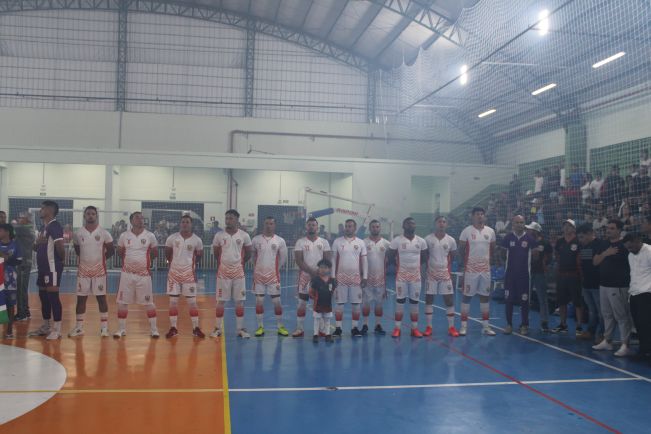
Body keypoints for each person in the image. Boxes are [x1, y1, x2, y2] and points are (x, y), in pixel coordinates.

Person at [68, 206, 114, 338]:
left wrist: (99, 261)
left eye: (93, 214)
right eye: (88, 213)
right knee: (81, 300)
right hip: (83, 272)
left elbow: (111, 251)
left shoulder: (104, 233)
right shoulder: (78, 233)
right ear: (84, 216)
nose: (90, 216)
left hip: (99, 271)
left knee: (101, 299)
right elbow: (78, 251)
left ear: (96, 216)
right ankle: (79, 328)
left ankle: (104, 328)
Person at [113, 211, 160, 338]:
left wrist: (143, 263)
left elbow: (155, 252)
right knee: (122, 302)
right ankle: (121, 329)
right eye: (137, 217)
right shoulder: (124, 235)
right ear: (131, 221)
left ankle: (154, 330)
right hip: (127, 274)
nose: (140, 220)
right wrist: (131, 262)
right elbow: (120, 251)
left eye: (142, 218)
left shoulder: (150, 235)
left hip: (144, 275)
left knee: (149, 302)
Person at [592, 219, 633, 357]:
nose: (608, 230)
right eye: (607, 228)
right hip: (604, 284)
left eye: (612, 228)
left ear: (619, 230)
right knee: (607, 315)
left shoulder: (624, 246)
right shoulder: (604, 244)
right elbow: (595, 262)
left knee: (621, 316)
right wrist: (606, 253)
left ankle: (625, 345)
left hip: (618, 286)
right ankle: (607, 340)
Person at [211, 209, 253, 338]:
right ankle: (217, 328)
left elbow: (248, 253)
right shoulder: (219, 235)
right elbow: (216, 253)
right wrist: (224, 264)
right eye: (227, 218)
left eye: (231, 218)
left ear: (236, 220)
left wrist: (239, 263)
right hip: (223, 274)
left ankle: (240, 329)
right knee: (220, 301)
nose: (228, 220)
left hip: (238, 273)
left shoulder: (244, 235)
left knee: (239, 302)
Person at [27, 200, 65, 340]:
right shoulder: (44, 227)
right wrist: (37, 242)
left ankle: (57, 330)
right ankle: (46, 326)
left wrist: (61, 261)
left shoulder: (55, 226)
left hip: (52, 267)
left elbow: (60, 247)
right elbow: (35, 248)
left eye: (42, 208)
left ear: (50, 210)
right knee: (43, 296)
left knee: (53, 296)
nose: (40, 210)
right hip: (42, 268)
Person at [164, 214, 205, 339]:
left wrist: (190, 265)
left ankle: (196, 328)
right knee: (173, 302)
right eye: (183, 222)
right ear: (180, 223)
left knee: (192, 303)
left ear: (191, 224)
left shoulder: (197, 240)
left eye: (187, 222)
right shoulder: (172, 238)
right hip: (174, 275)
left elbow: (199, 255)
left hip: (189, 275)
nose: (185, 224)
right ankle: (173, 328)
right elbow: (167, 253)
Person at [458, 207, 497, 336]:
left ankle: (486, 326)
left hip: (485, 270)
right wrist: (465, 265)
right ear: (472, 216)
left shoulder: (490, 231)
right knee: (467, 296)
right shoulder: (466, 231)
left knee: (485, 297)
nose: (480, 216)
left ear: (484, 216)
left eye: (482, 214)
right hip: (471, 270)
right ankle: (463, 326)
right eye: (477, 214)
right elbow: (461, 250)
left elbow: (492, 249)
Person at [388, 217, 428, 338]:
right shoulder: (397, 241)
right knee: (400, 301)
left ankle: (414, 329)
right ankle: (397, 328)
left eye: (413, 223)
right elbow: (390, 256)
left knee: (414, 302)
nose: (411, 225)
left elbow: (425, 258)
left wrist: (414, 268)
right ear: (403, 226)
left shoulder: (421, 241)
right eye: (408, 223)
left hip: (416, 277)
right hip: (401, 276)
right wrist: (398, 266)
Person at [292, 217, 331, 337]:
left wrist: (319, 272)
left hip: (321, 278)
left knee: (320, 303)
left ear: (317, 227)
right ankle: (300, 329)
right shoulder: (300, 242)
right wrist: (311, 271)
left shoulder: (324, 242)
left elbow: (327, 260)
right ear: (306, 227)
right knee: (301, 303)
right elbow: (299, 260)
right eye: (309, 225)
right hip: (305, 276)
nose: (311, 227)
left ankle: (322, 329)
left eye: (314, 225)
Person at [499, 215, 537, 335]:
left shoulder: (530, 239)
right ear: (513, 224)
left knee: (524, 301)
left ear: (524, 224)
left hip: (524, 276)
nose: (519, 224)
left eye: (522, 222)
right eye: (517, 222)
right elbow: (502, 254)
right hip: (510, 276)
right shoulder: (508, 238)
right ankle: (509, 325)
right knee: (508, 300)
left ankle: (524, 325)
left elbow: (535, 256)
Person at [251, 216, 288, 337]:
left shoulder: (280, 240)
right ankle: (260, 327)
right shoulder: (256, 240)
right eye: (266, 223)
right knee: (259, 301)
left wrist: (275, 269)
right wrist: (258, 267)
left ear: (274, 225)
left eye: (271, 223)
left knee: (277, 302)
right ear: (263, 224)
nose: (268, 226)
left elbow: (283, 258)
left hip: (273, 276)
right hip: (259, 276)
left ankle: (280, 326)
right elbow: (253, 256)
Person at [331, 219, 368, 337]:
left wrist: (365, 276)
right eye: (346, 226)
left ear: (355, 228)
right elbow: (333, 260)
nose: (347, 228)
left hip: (356, 279)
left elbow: (364, 261)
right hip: (340, 278)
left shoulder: (361, 242)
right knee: (339, 304)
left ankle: (354, 328)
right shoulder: (337, 242)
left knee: (356, 304)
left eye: (350, 226)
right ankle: (338, 328)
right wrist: (332, 276)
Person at [424, 216, 459, 337]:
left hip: (445, 274)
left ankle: (451, 327)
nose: (442, 224)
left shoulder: (451, 240)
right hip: (431, 274)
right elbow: (424, 256)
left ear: (446, 225)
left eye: (444, 222)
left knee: (449, 300)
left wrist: (445, 267)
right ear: (435, 224)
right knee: (429, 299)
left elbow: (453, 256)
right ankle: (429, 327)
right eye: (439, 222)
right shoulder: (428, 239)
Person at [622, 233, 651, 365]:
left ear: (638, 241)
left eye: (631, 247)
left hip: (647, 293)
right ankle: (644, 350)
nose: (630, 250)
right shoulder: (630, 255)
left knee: (647, 324)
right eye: (627, 248)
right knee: (639, 325)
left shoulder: (649, 252)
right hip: (634, 294)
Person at [552, 219, 584, 335]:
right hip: (562, 276)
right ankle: (563, 324)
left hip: (574, 276)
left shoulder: (578, 241)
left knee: (577, 302)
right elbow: (556, 256)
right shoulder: (560, 241)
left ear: (574, 228)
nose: (566, 227)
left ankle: (579, 326)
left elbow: (581, 259)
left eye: (569, 225)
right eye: (565, 225)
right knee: (562, 302)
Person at [576, 224, 604, 342]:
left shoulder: (600, 244)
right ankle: (591, 331)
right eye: (579, 237)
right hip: (586, 283)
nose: (580, 240)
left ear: (589, 233)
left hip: (597, 283)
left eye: (582, 237)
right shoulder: (582, 246)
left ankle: (602, 334)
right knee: (592, 311)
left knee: (601, 311)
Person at [362, 220, 390, 335]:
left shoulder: (387, 243)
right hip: (367, 279)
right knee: (366, 303)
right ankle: (365, 325)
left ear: (380, 228)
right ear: (370, 228)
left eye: (377, 226)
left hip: (380, 279)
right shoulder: (363, 242)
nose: (375, 228)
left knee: (379, 304)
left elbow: (391, 259)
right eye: (373, 227)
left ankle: (378, 325)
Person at [527, 222, 552, 332]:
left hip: (540, 273)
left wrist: (545, 264)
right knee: (525, 297)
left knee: (542, 298)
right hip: (528, 272)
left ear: (536, 231)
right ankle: (525, 320)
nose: (528, 231)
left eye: (530, 230)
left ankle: (544, 322)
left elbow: (550, 256)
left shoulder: (545, 243)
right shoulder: (527, 241)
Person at [0, 224, 22, 339]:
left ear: (7, 232)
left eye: (0, 230)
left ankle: (9, 330)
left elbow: (19, 261)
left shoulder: (15, 245)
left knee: (10, 304)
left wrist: (8, 259)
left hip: (10, 280)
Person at [13, 212, 34, 321]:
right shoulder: (29, 229)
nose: (19, 219)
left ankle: (21, 314)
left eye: (21, 218)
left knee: (20, 289)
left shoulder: (23, 229)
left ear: (26, 220)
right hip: (26, 262)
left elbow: (11, 227)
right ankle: (26, 311)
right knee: (23, 289)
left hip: (23, 263)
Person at [309, 259, 336, 344]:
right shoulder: (315, 280)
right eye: (321, 267)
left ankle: (327, 335)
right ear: (318, 268)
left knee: (327, 320)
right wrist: (314, 297)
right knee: (317, 320)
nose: (323, 269)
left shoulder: (332, 281)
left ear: (329, 269)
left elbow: (333, 291)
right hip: (318, 304)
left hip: (328, 304)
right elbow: (311, 291)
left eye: (325, 267)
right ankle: (315, 335)